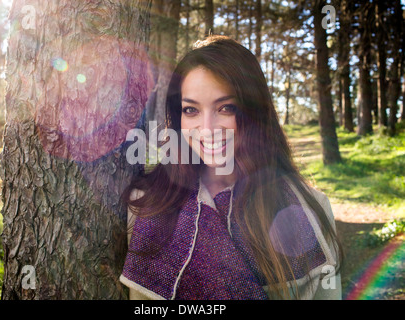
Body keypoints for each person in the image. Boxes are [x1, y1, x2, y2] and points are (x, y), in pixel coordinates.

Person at [119, 35, 343, 300]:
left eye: (226, 108)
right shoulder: (146, 204)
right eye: (191, 110)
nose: (208, 129)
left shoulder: (308, 210)